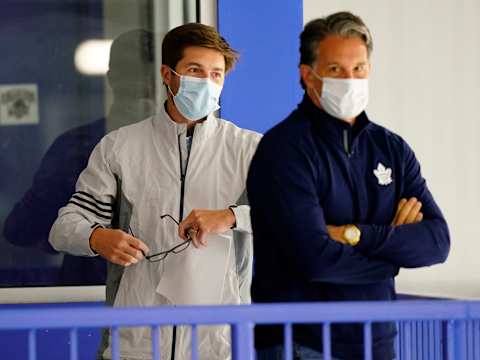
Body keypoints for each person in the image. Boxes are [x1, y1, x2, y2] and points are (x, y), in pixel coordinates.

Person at [49, 23, 261, 360]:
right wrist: (97, 237)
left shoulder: (251, 150)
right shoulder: (119, 147)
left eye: (216, 75)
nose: (207, 83)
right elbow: (63, 228)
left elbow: (297, 219)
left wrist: (231, 216)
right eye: (195, 71)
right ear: (168, 74)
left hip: (219, 344)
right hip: (136, 343)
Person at [247, 11, 450, 360]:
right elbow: (315, 259)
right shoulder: (284, 149)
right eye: (336, 69)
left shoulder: (391, 148)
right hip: (302, 343)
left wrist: (355, 235)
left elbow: (437, 242)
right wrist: (392, 255)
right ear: (308, 75)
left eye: (359, 68)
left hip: (377, 337)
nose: (350, 79)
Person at [3, 29, 156, 285]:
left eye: (148, 71)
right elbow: (21, 230)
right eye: (131, 70)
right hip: (89, 297)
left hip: (164, 300)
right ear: (112, 77)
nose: (141, 81)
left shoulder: (190, 149)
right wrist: (85, 231)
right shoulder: (74, 148)